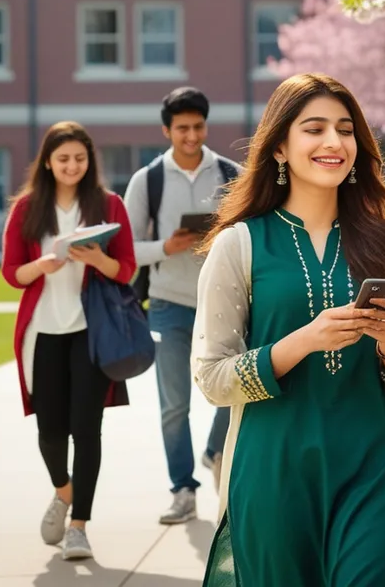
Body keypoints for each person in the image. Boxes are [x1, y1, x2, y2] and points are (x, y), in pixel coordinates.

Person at [191, 72, 385, 586]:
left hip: (376, 465)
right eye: (314, 128)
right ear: (280, 146)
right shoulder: (239, 245)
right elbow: (212, 379)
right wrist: (305, 340)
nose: (334, 142)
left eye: (346, 130)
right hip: (273, 468)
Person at [0, 121, 137, 561]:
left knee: (87, 430)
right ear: (47, 162)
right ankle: (64, 490)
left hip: (91, 334)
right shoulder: (26, 209)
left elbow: (128, 269)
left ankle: (79, 526)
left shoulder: (109, 204)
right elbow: (11, 275)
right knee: (50, 430)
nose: (72, 166)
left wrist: (98, 257)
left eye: (80, 158)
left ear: (89, 160)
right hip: (43, 333)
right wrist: (45, 264)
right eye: (63, 159)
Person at [124, 87, 241, 524]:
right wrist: (166, 246)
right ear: (167, 130)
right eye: (182, 129)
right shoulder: (147, 181)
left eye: (197, 127)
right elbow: (130, 249)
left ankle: (214, 452)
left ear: (205, 127)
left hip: (226, 304)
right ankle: (182, 489)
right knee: (174, 405)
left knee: (234, 391)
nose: (191, 136)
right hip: (169, 305)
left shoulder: (231, 175)